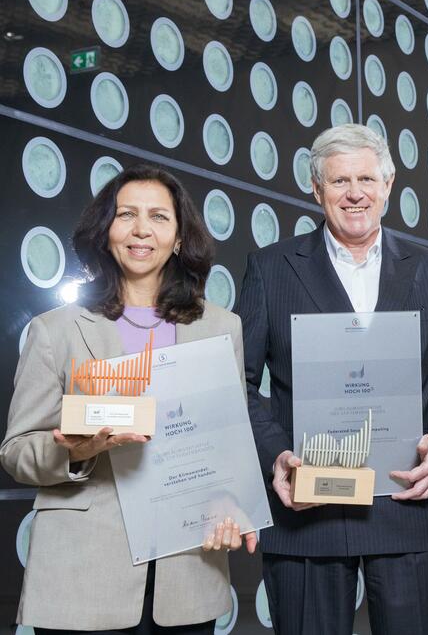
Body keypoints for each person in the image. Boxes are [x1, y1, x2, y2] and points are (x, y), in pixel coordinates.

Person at [236, 123, 428, 634]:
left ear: (388, 186)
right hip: (308, 512)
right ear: (316, 190)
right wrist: (278, 455)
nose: (354, 194)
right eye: (339, 181)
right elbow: (241, 382)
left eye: (366, 179)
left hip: (406, 505)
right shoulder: (270, 268)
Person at [1, 165, 255, 633]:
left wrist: (229, 498)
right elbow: (16, 452)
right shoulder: (56, 331)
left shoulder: (222, 327)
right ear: (106, 232)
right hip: (82, 576)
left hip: (186, 573)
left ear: (179, 238)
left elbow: (228, 446)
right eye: (126, 215)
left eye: (159, 217)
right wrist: (74, 453)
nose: (142, 229)